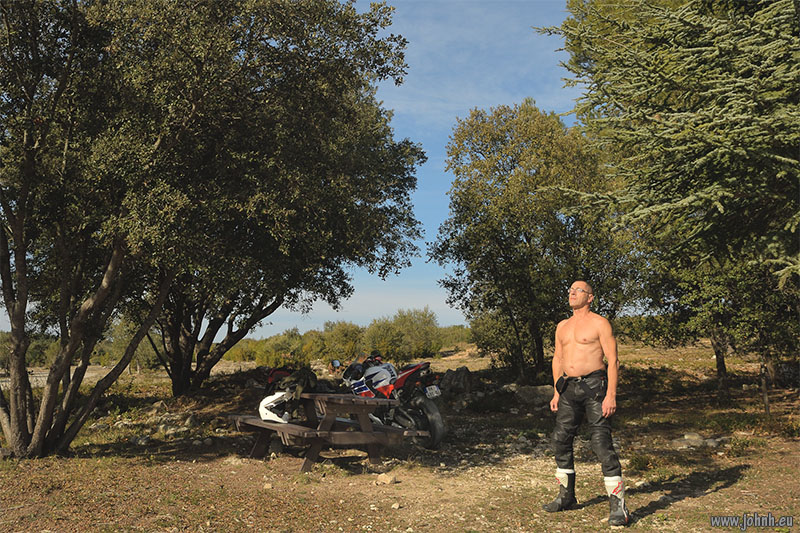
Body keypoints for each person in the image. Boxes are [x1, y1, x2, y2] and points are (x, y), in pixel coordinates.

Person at [542, 280, 630, 526]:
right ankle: (566, 497)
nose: (571, 293)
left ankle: (618, 508)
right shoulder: (562, 326)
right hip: (568, 388)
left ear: (590, 297)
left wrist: (611, 394)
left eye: (578, 290)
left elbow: (613, 360)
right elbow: (557, 357)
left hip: (595, 387)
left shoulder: (600, 323)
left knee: (601, 443)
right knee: (560, 439)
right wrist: (557, 391)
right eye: (570, 290)